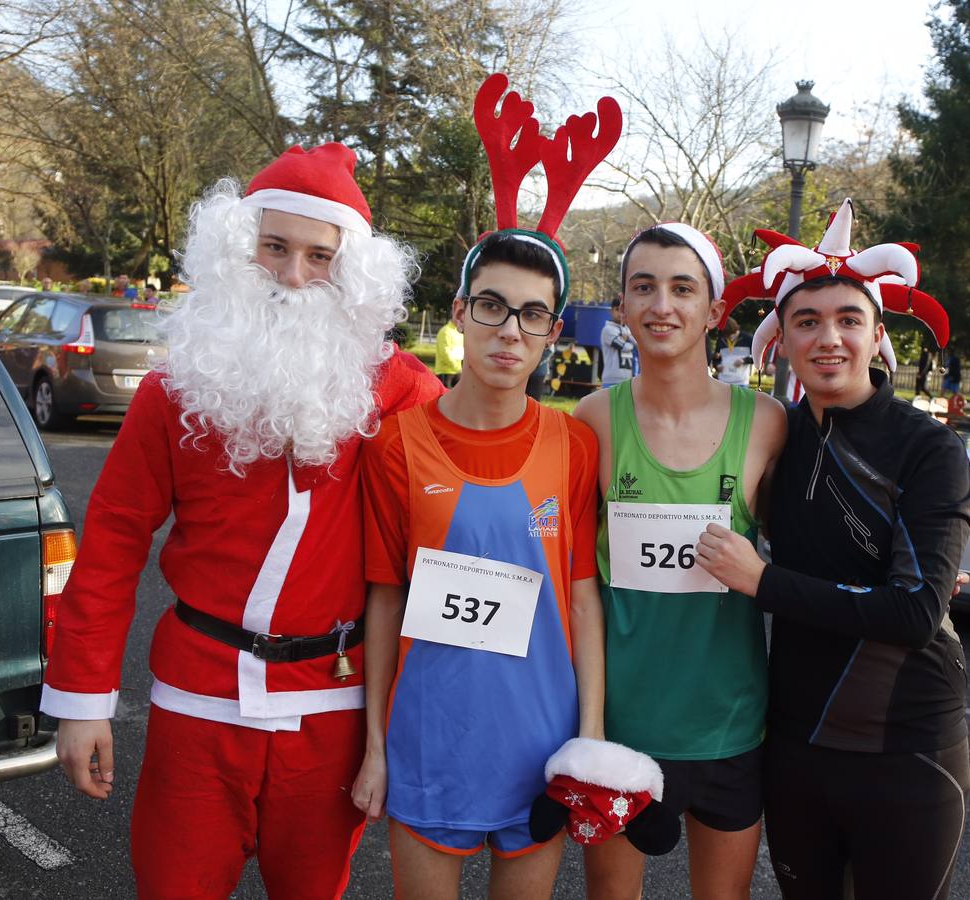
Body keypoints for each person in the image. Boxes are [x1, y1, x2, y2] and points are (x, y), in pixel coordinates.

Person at [41, 142, 442, 898]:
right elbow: (114, 542)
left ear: (351, 272)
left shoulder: (399, 394)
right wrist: (83, 702)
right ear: (237, 252)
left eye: (319, 257)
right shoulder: (177, 388)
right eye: (274, 248)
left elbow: (469, 484)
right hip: (197, 704)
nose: (294, 276)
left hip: (331, 707)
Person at [349, 72, 622, 900]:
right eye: (494, 307)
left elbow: (580, 601)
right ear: (461, 313)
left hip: (539, 745)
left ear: (553, 334)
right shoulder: (398, 444)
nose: (512, 330)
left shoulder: (573, 446)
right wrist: (373, 745)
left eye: (534, 314)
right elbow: (385, 599)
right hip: (431, 739)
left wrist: (591, 739)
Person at [696, 198, 970, 900]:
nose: (829, 338)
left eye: (849, 320)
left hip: (906, 745)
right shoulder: (776, 439)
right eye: (807, 322)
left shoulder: (928, 447)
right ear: (781, 340)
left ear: (878, 335)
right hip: (796, 746)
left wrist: (763, 582)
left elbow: (913, 614)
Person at [574, 222, 788, 900]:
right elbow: (572, 577)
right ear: (622, 307)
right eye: (644, 287)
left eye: (682, 288)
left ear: (714, 311)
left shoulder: (768, 422)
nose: (661, 305)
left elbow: (816, 543)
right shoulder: (593, 420)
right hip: (622, 729)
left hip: (730, 725)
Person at [599, 295, 635, 387]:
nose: (620, 313)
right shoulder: (608, 330)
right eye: (616, 309)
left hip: (628, 379)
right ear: (611, 311)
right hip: (611, 379)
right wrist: (628, 340)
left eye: (622, 310)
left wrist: (626, 338)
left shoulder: (628, 329)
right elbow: (625, 347)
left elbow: (638, 343)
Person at [712, 316, 755, 386]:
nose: (729, 339)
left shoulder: (748, 339)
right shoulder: (721, 339)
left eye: (731, 336)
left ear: (736, 330)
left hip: (741, 382)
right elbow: (716, 357)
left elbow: (757, 358)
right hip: (723, 381)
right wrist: (717, 365)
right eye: (726, 337)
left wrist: (744, 360)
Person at [434, 316, 465, 387]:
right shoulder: (445, 331)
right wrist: (457, 368)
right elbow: (445, 353)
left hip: (458, 372)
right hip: (445, 372)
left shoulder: (459, 333)